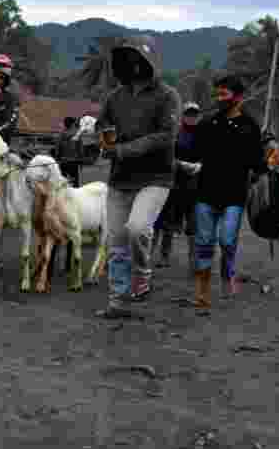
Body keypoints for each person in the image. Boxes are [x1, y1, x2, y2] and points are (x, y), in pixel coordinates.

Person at [94, 35, 181, 317]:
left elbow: (166, 136)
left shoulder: (168, 96)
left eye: (138, 59)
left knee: (138, 228)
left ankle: (142, 272)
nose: (132, 64)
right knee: (115, 241)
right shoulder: (114, 97)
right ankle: (117, 301)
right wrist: (100, 138)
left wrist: (123, 150)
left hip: (156, 177)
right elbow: (102, 125)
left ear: (149, 62)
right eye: (127, 59)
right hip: (120, 179)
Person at [190, 76, 266, 314]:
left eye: (225, 94)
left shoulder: (251, 127)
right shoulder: (207, 123)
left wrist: (272, 175)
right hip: (205, 192)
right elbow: (192, 152)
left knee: (227, 241)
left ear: (238, 97)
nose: (220, 99)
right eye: (218, 94)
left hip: (234, 195)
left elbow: (257, 162)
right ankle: (202, 291)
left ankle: (226, 275)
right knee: (203, 243)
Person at [152, 101, 203, 271]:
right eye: (188, 114)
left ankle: (194, 260)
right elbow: (166, 157)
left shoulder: (204, 135)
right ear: (183, 116)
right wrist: (181, 164)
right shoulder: (175, 134)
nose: (191, 117)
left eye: (194, 114)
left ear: (198, 116)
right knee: (167, 223)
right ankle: (164, 256)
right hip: (174, 185)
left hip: (195, 187)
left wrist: (201, 165)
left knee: (193, 225)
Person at [54, 116, 83, 188]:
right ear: (72, 124)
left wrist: (57, 159)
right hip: (74, 161)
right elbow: (80, 149)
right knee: (75, 181)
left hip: (63, 161)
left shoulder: (61, 135)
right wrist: (81, 160)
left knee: (63, 181)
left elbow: (57, 148)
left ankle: (63, 195)